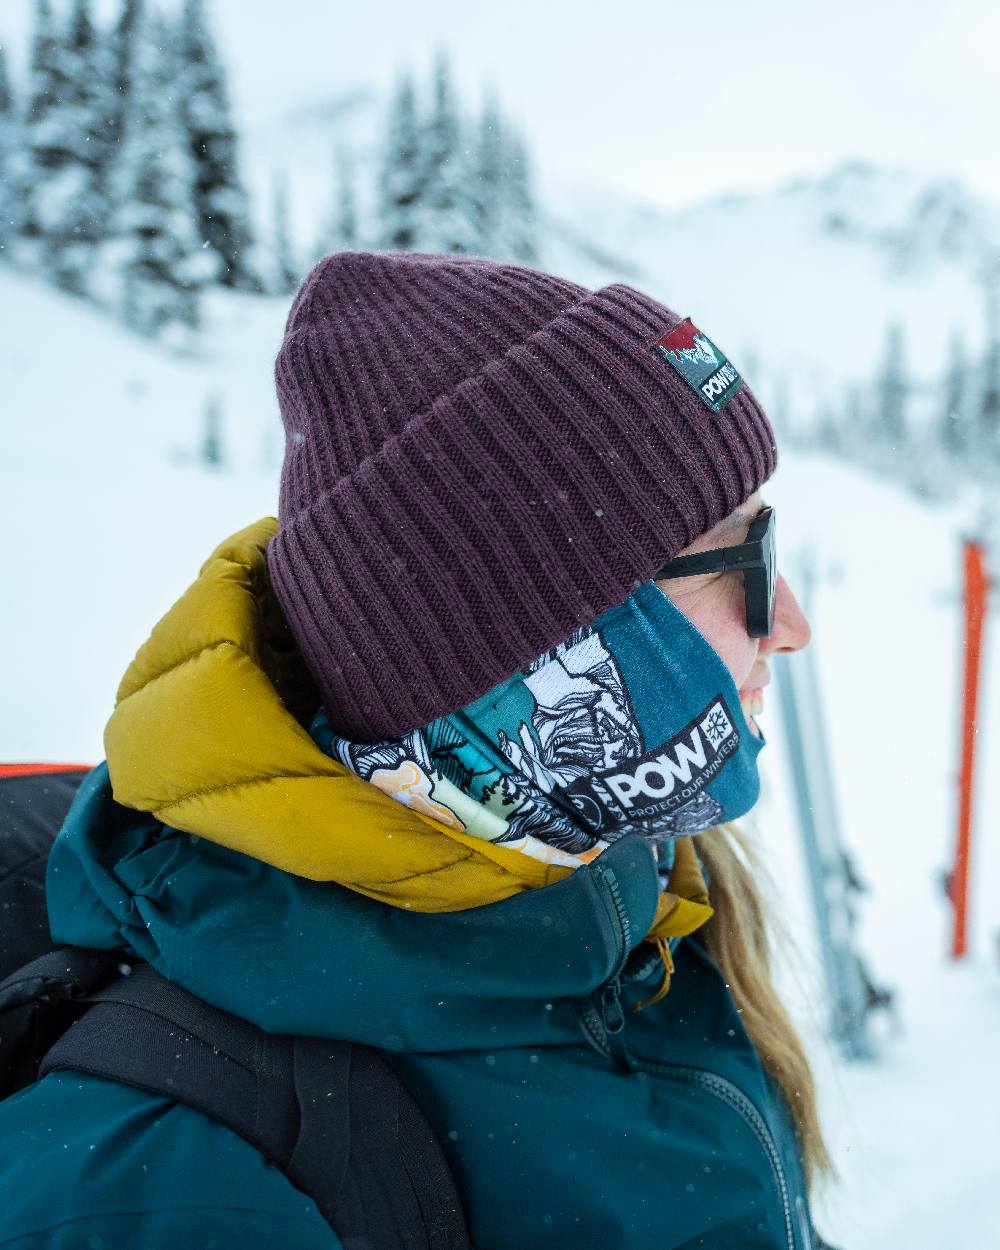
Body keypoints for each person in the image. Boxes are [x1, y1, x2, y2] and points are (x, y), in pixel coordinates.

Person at [0, 252, 833, 1248]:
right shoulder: (162, 1184)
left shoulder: (635, 881)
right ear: (536, 645)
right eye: (744, 559)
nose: (791, 623)